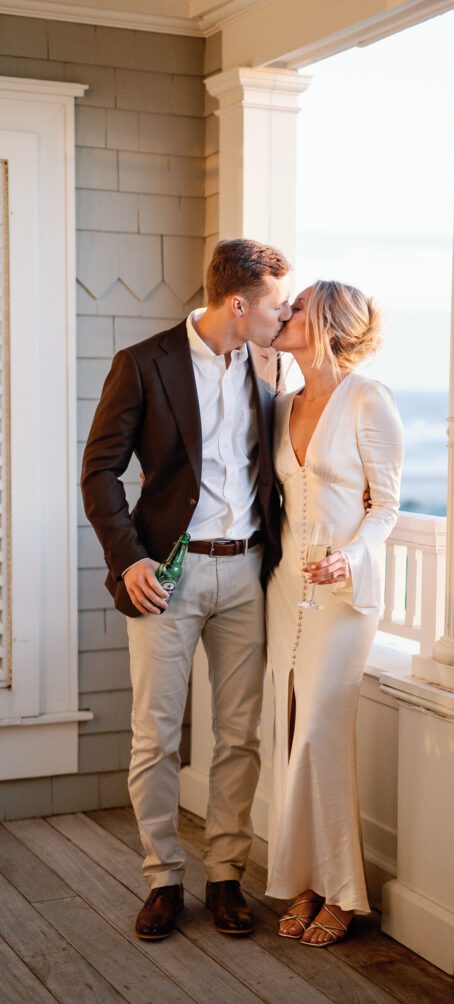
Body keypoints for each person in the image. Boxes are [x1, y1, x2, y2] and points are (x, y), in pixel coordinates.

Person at [81, 238, 291, 941]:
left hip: (246, 573)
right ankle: (162, 879)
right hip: (167, 575)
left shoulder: (268, 366)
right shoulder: (144, 363)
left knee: (239, 736)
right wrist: (129, 558)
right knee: (156, 735)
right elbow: (99, 471)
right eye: (275, 304)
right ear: (240, 303)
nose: (283, 315)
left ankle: (226, 874)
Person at [265, 280, 403, 947]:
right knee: (290, 728)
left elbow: (386, 508)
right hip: (286, 588)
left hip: (344, 593)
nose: (284, 312)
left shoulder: (368, 400)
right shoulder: (280, 404)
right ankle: (302, 881)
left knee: (320, 727)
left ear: (327, 323)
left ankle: (343, 892)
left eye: (297, 306)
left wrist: (351, 558)